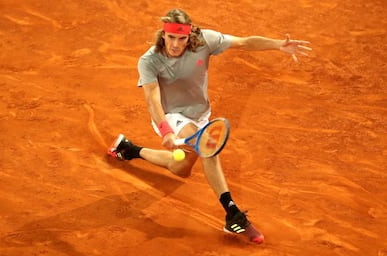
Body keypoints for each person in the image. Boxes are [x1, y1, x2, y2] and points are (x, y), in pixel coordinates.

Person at [107, 8, 311, 244]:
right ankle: (233, 216)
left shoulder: (205, 41)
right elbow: (152, 100)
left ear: (189, 35)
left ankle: (129, 149)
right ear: (163, 34)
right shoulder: (150, 60)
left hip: (200, 114)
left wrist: (277, 45)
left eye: (181, 38)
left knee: (180, 167)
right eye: (170, 37)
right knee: (208, 147)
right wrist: (166, 130)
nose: (175, 44)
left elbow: (244, 43)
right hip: (171, 115)